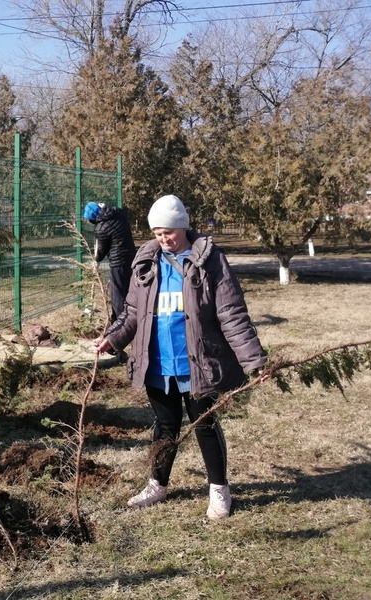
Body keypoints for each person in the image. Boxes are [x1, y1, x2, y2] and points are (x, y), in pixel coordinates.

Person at [94, 194, 267, 519]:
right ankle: (158, 484)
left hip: (198, 364)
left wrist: (254, 360)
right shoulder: (146, 260)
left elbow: (231, 313)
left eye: (168, 232)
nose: (163, 239)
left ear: (183, 227)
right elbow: (132, 311)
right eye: (158, 233)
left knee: (204, 424)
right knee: (165, 425)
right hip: (157, 364)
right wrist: (112, 339)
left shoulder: (210, 260)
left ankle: (219, 490)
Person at [83, 201, 136, 324]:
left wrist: (96, 259)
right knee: (129, 288)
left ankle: (120, 322)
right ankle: (129, 316)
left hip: (118, 262)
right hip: (132, 256)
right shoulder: (118, 213)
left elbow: (102, 249)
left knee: (117, 293)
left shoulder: (101, 228)